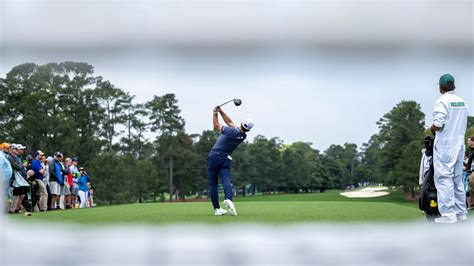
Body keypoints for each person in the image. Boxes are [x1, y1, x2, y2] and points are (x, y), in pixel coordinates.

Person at [430, 73, 468, 223]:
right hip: (459, 144)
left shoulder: (442, 101)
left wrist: (431, 128)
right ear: (453, 86)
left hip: (446, 145)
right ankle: (461, 213)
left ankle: (448, 215)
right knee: (457, 179)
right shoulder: (462, 102)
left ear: (440, 87)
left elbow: (438, 125)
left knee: (443, 178)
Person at [207, 106, 254, 216]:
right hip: (226, 159)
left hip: (214, 157)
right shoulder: (242, 135)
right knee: (226, 180)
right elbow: (230, 122)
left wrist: (215, 113)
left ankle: (217, 209)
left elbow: (216, 126)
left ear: (242, 123)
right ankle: (229, 199)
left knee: (213, 184)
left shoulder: (232, 131)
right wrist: (221, 111)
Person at [465, 136, 474, 209]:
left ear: (472, 142)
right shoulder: (471, 151)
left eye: (468, 141)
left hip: (473, 173)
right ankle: (472, 204)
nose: (467, 142)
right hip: (470, 173)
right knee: (471, 189)